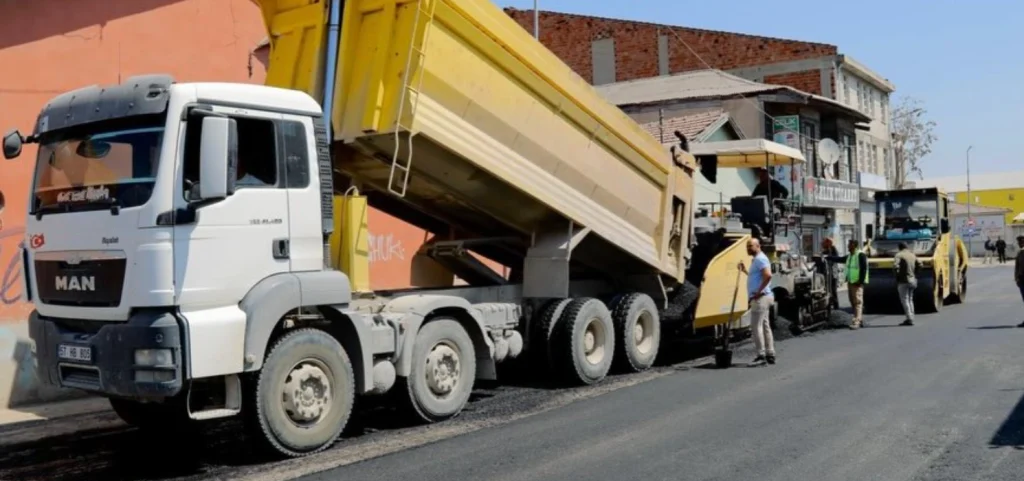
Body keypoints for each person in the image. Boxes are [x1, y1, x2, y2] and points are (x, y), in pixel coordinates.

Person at [739, 238, 775, 366]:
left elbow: (768, 275)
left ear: (758, 246)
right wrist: (745, 271)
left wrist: (759, 292)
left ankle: (761, 355)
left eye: (750, 246)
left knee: (756, 326)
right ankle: (770, 354)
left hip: (760, 298)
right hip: (764, 297)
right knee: (765, 326)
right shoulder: (757, 259)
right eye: (747, 246)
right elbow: (756, 277)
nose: (748, 248)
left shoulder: (760, 259)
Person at [826, 239, 869, 329]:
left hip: (857, 283)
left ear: (853, 245)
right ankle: (858, 318)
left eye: (849, 244)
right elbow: (840, 259)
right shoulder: (850, 256)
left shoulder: (860, 255)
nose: (847, 246)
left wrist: (860, 281)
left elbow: (864, 269)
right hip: (850, 282)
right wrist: (828, 257)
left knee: (857, 302)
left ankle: (857, 321)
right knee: (852, 301)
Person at [893, 242, 920, 326]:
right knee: (910, 299)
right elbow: (920, 264)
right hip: (913, 280)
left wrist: (897, 275)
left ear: (899, 248)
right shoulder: (912, 254)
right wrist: (915, 273)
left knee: (905, 300)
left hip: (903, 281)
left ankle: (909, 319)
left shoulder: (899, 255)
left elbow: (895, 266)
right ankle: (912, 317)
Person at [821, 238, 841, 310]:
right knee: (827, 290)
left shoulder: (834, 250)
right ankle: (828, 304)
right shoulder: (824, 252)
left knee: (833, 290)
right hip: (826, 274)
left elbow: (837, 257)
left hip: (833, 273)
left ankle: (836, 305)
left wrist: (832, 245)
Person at [1015, 236, 1024, 328]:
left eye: (1021, 242)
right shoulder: (1019, 253)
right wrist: (1016, 278)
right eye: (1019, 242)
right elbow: (1017, 267)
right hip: (1021, 279)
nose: (1019, 244)